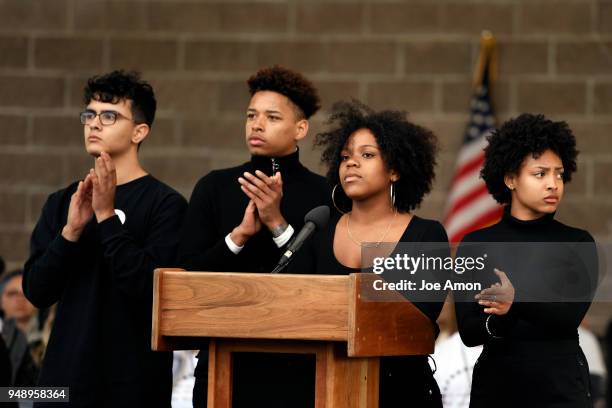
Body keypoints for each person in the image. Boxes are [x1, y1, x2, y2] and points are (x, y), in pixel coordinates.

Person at [23, 70, 187, 407]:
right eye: (90, 115)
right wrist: (70, 233)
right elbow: (36, 291)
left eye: (109, 116)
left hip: (130, 385)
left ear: (139, 131)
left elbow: (149, 289)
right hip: (61, 383)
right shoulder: (63, 201)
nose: (94, 124)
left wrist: (108, 217)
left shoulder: (166, 204)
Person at [179, 65, 330, 408]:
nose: (257, 125)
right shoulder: (214, 186)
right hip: (223, 360)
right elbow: (186, 275)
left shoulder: (325, 194)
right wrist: (239, 236)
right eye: (251, 115)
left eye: (272, 117)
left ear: (300, 128)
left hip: (300, 364)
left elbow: (324, 282)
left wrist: (277, 223)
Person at [288, 100, 448, 407]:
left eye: (367, 155)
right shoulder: (319, 232)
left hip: (401, 391)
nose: (351, 163)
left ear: (395, 171)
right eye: (346, 156)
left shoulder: (426, 236)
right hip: (325, 389)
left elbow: (419, 318)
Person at [454, 113, 599, 407]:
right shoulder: (476, 245)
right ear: (510, 179)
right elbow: (470, 333)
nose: (553, 184)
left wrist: (515, 302)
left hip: (561, 388)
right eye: (540, 173)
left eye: (559, 174)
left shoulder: (577, 242)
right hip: (497, 389)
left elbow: (568, 317)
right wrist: (502, 320)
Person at [0, 270, 40, 386]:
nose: (20, 299)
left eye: (26, 293)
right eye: (12, 294)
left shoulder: (50, 340)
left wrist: (7, 395)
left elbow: (61, 394)